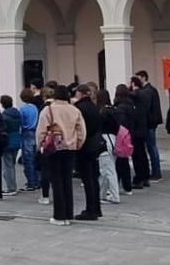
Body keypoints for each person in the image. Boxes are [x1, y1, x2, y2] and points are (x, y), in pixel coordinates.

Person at [36, 85, 86, 226]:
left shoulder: (48, 109)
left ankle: (59, 215)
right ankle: (69, 214)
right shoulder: (75, 110)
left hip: (54, 148)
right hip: (70, 148)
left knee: (56, 181)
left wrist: (40, 145)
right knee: (67, 180)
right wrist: (77, 144)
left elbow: (40, 130)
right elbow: (81, 131)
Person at [72, 84, 103, 221]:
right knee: (94, 178)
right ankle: (96, 208)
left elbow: (78, 128)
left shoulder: (80, 108)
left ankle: (90, 209)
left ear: (80, 93)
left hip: (85, 146)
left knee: (87, 179)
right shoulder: (94, 107)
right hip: (95, 145)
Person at [136, 70, 164, 181]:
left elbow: (146, 108)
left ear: (143, 78)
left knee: (151, 147)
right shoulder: (152, 90)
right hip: (152, 122)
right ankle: (155, 171)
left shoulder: (146, 91)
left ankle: (156, 172)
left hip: (148, 123)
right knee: (151, 147)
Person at [95, 89, 121, 204]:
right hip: (114, 140)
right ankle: (102, 194)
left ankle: (114, 196)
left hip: (105, 141)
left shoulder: (102, 112)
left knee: (107, 170)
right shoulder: (113, 110)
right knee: (107, 169)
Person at [127, 77, 152, 189]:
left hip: (135, 128)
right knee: (142, 153)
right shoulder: (146, 94)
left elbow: (129, 95)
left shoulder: (134, 95)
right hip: (143, 127)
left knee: (136, 155)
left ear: (133, 84)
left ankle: (139, 179)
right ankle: (145, 177)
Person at [112, 85, 137, 195]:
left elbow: (120, 123)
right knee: (124, 161)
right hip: (129, 135)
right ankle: (127, 186)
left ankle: (117, 185)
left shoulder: (120, 108)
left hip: (121, 136)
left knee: (119, 162)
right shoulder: (131, 105)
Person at [18, 89, 40, 191]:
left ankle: (31, 182)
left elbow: (21, 122)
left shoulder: (22, 109)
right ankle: (37, 181)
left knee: (28, 159)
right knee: (35, 158)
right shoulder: (35, 108)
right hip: (35, 131)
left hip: (26, 132)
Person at [0, 95, 21, 196]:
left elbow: (3, 129)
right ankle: (12, 186)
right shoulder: (17, 113)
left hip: (7, 141)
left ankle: (11, 187)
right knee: (11, 164)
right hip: (17, 139)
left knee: (7, 166)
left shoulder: (4, 116)